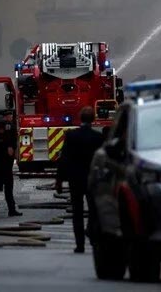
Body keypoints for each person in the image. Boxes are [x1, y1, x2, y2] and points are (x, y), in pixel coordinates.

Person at [56, 107, 105, 253]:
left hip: (75, 179)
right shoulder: (98, 138)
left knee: (77, 212)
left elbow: (64, 158)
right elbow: (102, 160)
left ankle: (80, 244)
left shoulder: (71, 136)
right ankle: (92, 232)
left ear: (79, 118)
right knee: (94, 210)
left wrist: (59, 179)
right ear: (94, 119)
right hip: (92, 179)